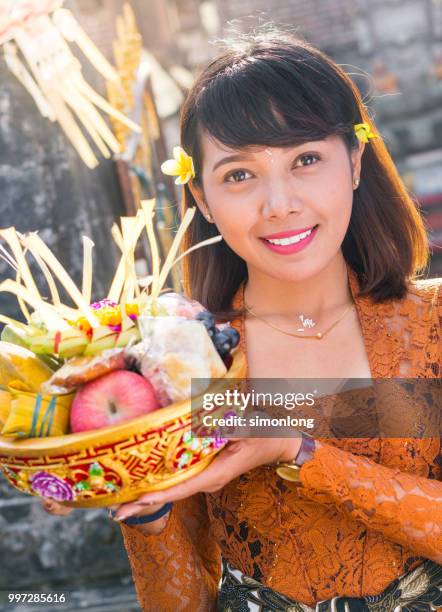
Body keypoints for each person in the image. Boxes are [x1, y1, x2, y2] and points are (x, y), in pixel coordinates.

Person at [44, 31, 442, 611]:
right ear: (202, 199)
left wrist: (297, 448)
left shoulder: (433, 323)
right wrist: (147, 509)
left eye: (306, 159)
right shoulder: (181, 361)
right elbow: (181, 601)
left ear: (354, 163)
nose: (279, 202)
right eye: (239, 175)